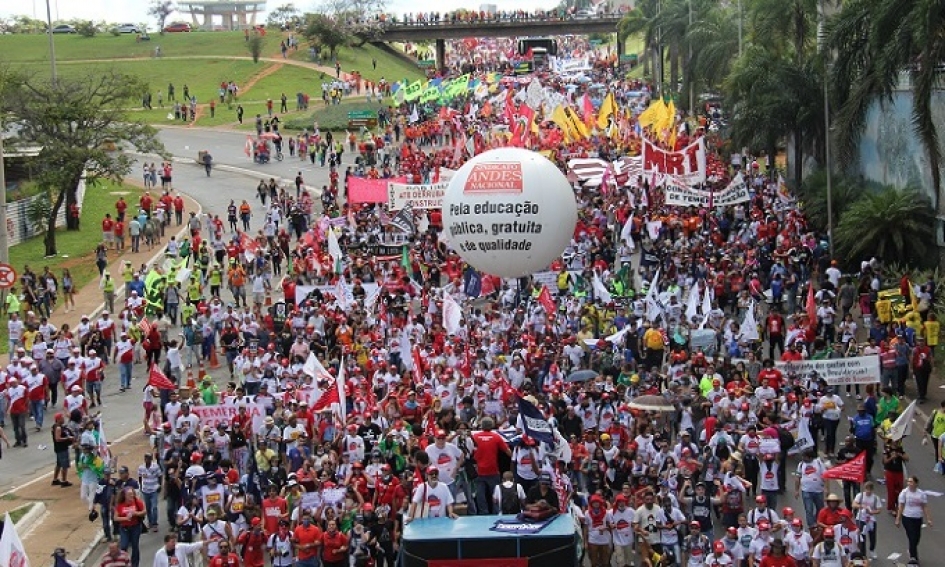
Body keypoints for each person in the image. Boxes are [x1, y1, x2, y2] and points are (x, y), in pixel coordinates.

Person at [471, 416, 511, 515]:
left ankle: (483, 514)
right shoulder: (496, 437)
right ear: (492, 425)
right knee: (496, 494)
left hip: (479, 471)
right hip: (493, 470)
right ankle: (496, 513)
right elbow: (508, 452)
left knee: (480, 496)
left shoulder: (475, 437)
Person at [895, 476, 932, 564]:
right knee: (912, 537)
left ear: (916, 483)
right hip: (907, 517)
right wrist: (898, 519)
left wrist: (929, 519)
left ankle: (912, 549)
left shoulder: (921, 494)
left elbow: (924, 506)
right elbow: (901, 506)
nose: (909, 484)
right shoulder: (904, 493)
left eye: (911, 482)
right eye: (908, 482)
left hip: (918, 518)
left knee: (917, 538)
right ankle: (913, 557)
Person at [113, 486, 146, 567]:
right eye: (129, 494)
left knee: (135, 546)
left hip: (135, 527)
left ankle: (135, 564)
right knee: (123, 546)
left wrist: (136, 513)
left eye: (132, 494)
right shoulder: (120, 505)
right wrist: (125, 518)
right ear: (125, 495)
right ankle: (123, 562)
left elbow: (144, 511)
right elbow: (115, 518)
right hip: (124, 529)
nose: (131, 496)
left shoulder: (137, 502)